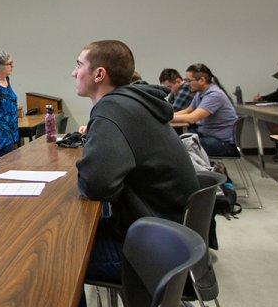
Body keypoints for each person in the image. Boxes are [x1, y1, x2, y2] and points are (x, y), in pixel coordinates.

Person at [73, 40, 198, 285]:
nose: (73, 72)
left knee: (57, 254)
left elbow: (96, 186)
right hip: (173, 236)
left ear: (99, 74)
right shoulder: (132, 102)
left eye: (78, 65)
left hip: (155, 249)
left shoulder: (111, 109)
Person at [172, 64, 239, 157]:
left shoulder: (214, 95)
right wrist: (166, 115)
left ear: (202, 80)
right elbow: (187, 111)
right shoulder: (200, 93)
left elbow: (192, 118)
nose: (186, 83)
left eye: (189, 80)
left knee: (182, 147)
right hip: (208, 136)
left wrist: (166, 117)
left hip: (223, 143)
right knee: (180, 141)